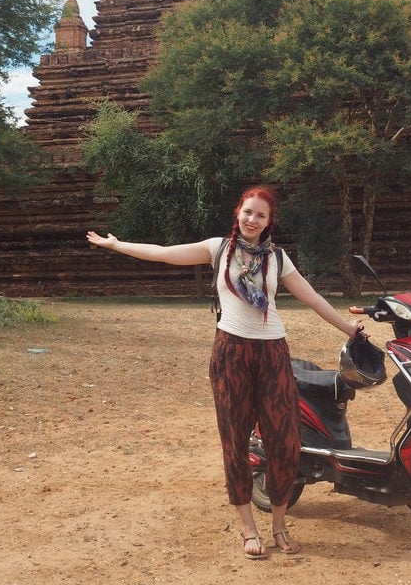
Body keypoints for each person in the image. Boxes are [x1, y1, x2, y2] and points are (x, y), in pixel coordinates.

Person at [86, 185, 362, 560]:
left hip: (272, 352)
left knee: (285, 442)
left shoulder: (278, 259)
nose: (252, 219)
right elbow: (165, 255)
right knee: (234, 440)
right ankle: (249, 529)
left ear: (269, 222)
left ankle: (279, 524)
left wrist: (348, 329)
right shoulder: (219, 248)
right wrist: (118, 245)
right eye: (248, 212)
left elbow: (311, 297)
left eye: (260, 215)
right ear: (238, 213)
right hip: (231, 351)